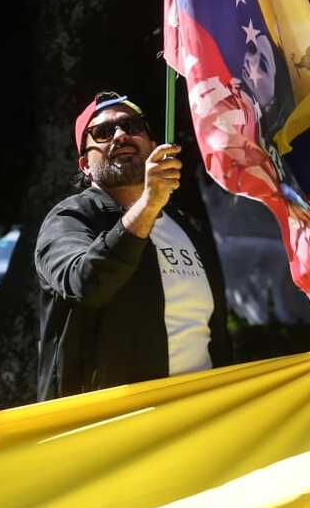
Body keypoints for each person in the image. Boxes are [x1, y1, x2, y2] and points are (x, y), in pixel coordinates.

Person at [35, 91, 231, 399]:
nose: (121, 136)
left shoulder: (186, 227)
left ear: (153, 148)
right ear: (86, 165)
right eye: (102, 132)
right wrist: (149, 204)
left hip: (202, 417)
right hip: (114, 428)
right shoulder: (69, 219)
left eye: (132, 126)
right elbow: (88, 284)